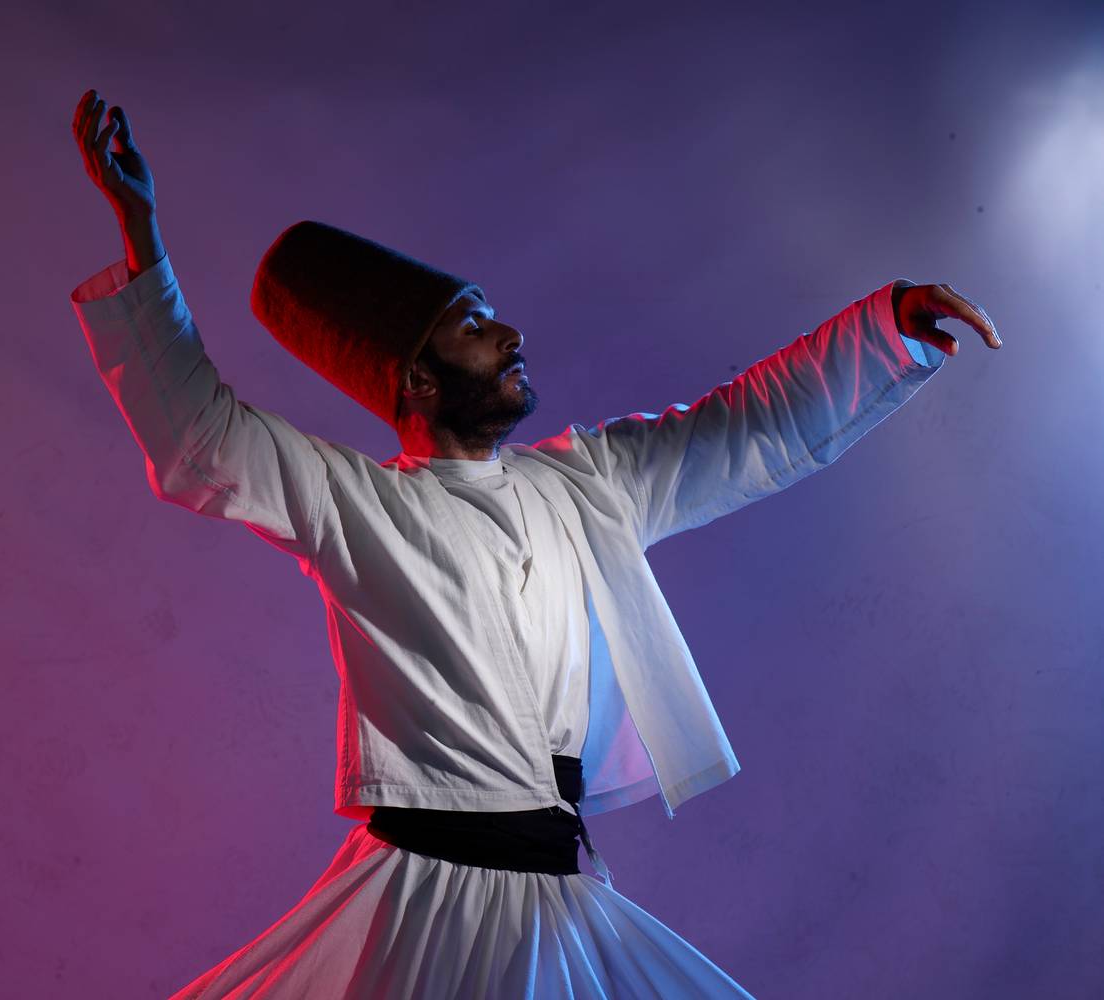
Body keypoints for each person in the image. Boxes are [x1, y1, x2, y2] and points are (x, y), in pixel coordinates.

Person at [68, 89, 1002, 1000]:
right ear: (419, 382)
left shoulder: (588, 481)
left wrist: (886, 329)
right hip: (423, 896)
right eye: (473, 326)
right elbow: (202, 436)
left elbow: (742, 427)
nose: (511, 334)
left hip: (556, 894)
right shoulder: (353, 502)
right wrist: (143, 238)